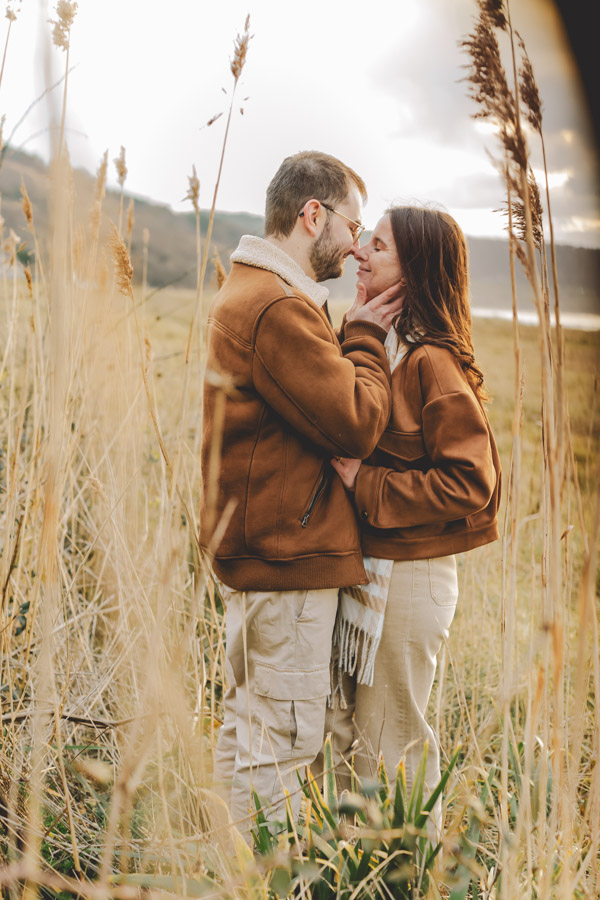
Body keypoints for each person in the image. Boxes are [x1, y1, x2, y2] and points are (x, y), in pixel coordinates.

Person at [199, 151, 404, 827]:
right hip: (285, 562)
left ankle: (227, 876)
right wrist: (367, 335)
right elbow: (355, 423)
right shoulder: (277, 307)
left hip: (268, 557)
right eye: (352, 223)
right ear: (312, 214)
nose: (354, 245)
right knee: (282, 747)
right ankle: (262, 883)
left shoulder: (257, 293)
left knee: (251, 733)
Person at [328, 205, 501, 834]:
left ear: (415, 270)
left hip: (410, 582)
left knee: (392, 748)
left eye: (378, 247)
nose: (359, 254)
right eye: (364, 242)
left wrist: (365, 482)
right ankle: (356, 872)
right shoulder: (385, 349)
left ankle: (406, 877)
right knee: (354, 742)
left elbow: (473, 480)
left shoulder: (430, 361)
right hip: (379, 576)